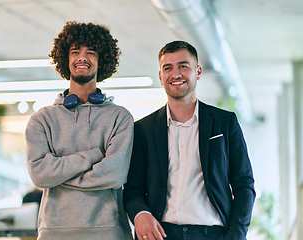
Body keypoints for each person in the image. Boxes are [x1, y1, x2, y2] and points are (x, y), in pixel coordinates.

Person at [123, 40, 255, 240]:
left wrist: (236, 234)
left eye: (183, 66)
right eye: (168, 68)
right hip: (161, 234)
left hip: (213, 233)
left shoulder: (224, 123)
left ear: (198, 72)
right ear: (160, 76)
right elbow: (133, 188)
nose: (175, 74)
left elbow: (244, 184)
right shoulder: (142, 129)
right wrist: (140, 214)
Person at [25, 21, 134, 240]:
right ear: (66, 59)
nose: (82, 58)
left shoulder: (119, 118)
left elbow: (115, 174)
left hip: (108, 232)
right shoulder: (42, 119)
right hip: (54, 233)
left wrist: (58, 175)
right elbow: (40, 174)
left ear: (101, 60)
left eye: (90, 52)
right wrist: (93, 156)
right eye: (75, 52)